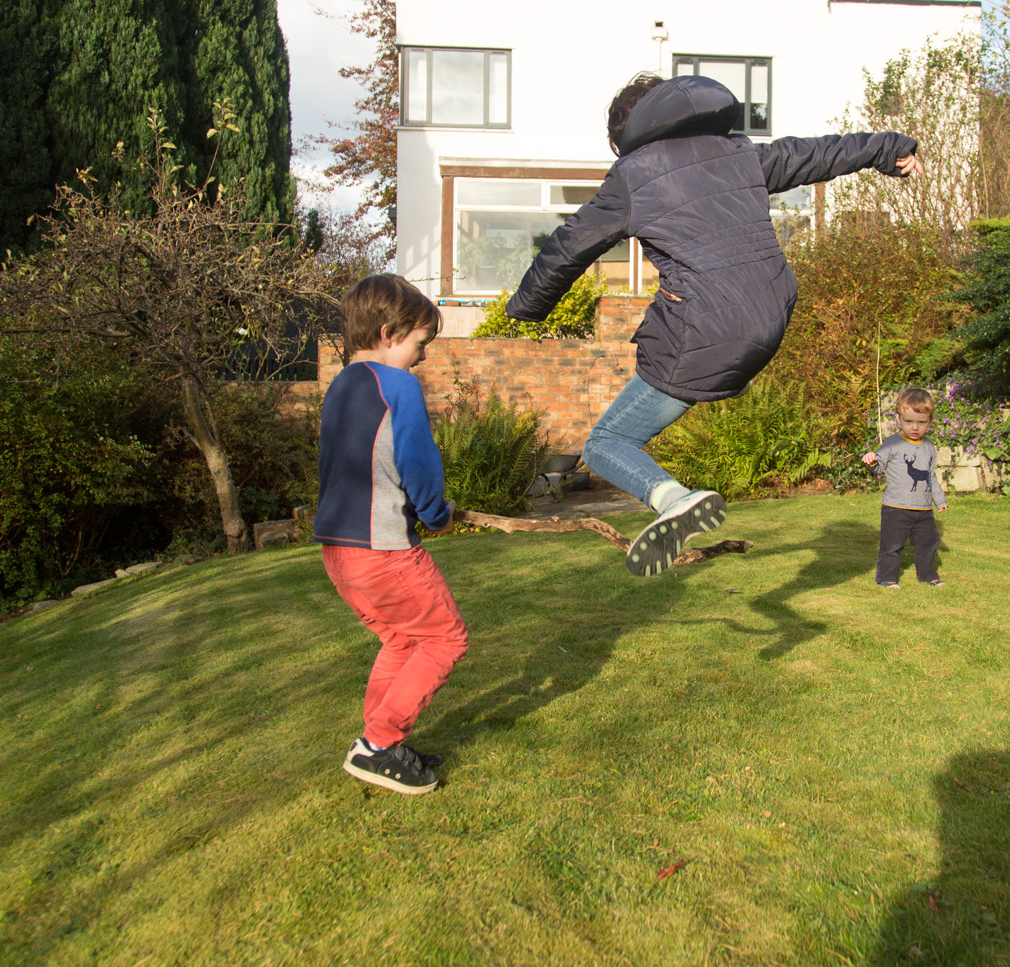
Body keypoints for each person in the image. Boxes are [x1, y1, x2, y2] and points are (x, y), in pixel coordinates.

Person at [506, 71, 922, 575]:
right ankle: (678, 493)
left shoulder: (634, 175)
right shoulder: (740, 153)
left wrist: (526, 308)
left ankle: (673, 499)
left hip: (704, 331)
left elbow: (568, 246)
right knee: (684, 333)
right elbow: (817, 153)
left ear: (629, 132)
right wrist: (889, 149)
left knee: (604, 444)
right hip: (772, 311)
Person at [313, 274, 468, 793]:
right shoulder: (396, 385)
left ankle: (377, 741)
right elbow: (418, 464)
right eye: (419, 344)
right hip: (384, 550)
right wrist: (437, 515)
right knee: (444, 639)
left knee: (401, 641)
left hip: (339, 550)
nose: (421, 357)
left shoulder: (338, 389)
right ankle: (380, 745)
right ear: (388, 332)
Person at [862, 384, 948, 587]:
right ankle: (887, 578)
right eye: (909, 422)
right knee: (892, 545)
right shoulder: (892, 443)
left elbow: (930, 477)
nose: (915, 427)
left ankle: (928, 576)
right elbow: (879, 468)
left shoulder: (929, 447)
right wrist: (872, 461)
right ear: (899, 419)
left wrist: (940, 501)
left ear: (930, 422)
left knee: (929, 543)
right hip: (896, 508)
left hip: (924, 509)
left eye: (921, 422)